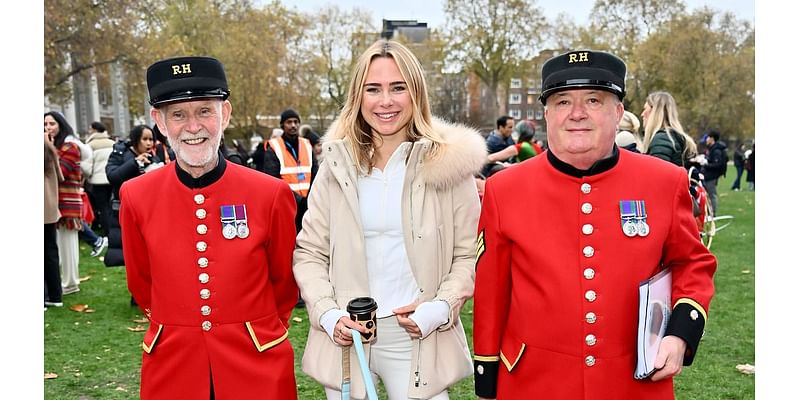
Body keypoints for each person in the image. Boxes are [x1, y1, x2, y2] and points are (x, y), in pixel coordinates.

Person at [472, 50, 717, 400]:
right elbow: (491, 292)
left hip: (633, 383)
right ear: (546, 113)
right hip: (532, 383)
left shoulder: (664, 182)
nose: (577, 114)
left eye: (593, 100)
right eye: (562, 101)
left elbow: (693, 263)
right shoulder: (505, 189)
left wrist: (679, 334)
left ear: (618, 111)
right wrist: (487, 379)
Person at [293, 39, 484, 400]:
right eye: (373, 89)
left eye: (398, 88)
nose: (386, 101)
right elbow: (310, 253)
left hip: (415, 335)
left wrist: (440, 307)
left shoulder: (449, 163)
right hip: (346, 336)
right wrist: (328, 314)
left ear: (416, 94)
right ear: (357, 95)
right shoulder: (336, 164)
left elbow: (466, 255)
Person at [120, 56, 299, 399]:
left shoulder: (270, 194)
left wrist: (251, 326)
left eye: (204, 111)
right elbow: (142, 283)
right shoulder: (136, 195)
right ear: (159, 121)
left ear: (225, 114)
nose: (192, 127)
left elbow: (283, 282)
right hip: (173, 364)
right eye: (178, 114)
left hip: (256, 360)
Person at [105, 124, 164, 267]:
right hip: (124, 210)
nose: (149, 143)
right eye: (145, 139)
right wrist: (135, 163)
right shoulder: (120, 154)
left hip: (149, 212)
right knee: (129, 254)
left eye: (151, 139)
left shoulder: (153, 157)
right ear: (136, 140)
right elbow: (112, 176)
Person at [254, 108, 319, 233]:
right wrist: (298, 200)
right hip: (286, 204)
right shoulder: (274, 147)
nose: (293, 125)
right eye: (289, 122)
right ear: (282, 125)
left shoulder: (306, 144)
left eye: (296, 122)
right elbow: (272, 179)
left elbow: (316, 173)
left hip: (309, 204)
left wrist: (310, 198)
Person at [45, 111, 83, 295]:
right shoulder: (55, 147)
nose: (48, 128)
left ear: (60, 124)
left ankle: (71, 282)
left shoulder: (70, 147)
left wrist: (49, 149)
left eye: (51, 123)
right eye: (45, 124)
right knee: (56, 246)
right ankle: (61, 282)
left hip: (68, 201)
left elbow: (62, 172)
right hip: (52, 201)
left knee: (68, 245)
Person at [641, 91, 697, 168]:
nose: (642, 114)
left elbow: (658, 176)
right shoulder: (671, 137)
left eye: (645, 109)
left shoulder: (661, 140)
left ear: (655, 112)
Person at [85, 121, 115, 235]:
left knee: (103, 208)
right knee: (111, 205)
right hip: (111, 177)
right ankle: (113, 230)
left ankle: (107, 232)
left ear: (94, 130)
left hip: (97, 180)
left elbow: (87, 166)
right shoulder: (111, 142)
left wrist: (87, 177)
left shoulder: (90, 145)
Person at [45, 135, 64, 308]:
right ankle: (55, 295)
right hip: (49, 206)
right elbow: (60, 175)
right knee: (50, 252)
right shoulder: (49, 146)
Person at [700, 130, 728, 215]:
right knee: (708, 194)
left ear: (712, 139)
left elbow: (717, 164)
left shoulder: (716, 150)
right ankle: (709, 211)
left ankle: (712, 213)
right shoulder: (713, 148)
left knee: (712, 194)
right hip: (709, 174)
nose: (706, 139)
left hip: (712, 175)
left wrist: (705, 164)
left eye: (708, 137)